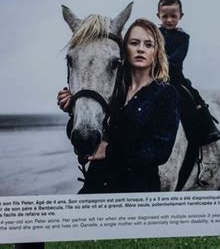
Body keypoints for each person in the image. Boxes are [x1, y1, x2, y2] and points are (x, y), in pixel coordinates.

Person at [57, 18, 180, 193]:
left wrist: (109, 151)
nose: (140, 49)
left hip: (137, 189)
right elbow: (85, 141)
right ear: (125, 49)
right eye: (134, 43)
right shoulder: (113, 92)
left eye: (148, 44)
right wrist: (73, 110)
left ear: (156, 51)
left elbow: (160, 151)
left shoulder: (166, 94)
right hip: (97, 183)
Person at [156, 0, 220, 145]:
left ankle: (208, 127)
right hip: (153, 74)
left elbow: (176, 59)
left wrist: (156, 63)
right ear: (158, 16)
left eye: (173, 16)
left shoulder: (183, 37)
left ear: (181, 16)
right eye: (165, 16)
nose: (169, 20)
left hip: (174, 75)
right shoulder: (154, 34)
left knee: (192, 95)